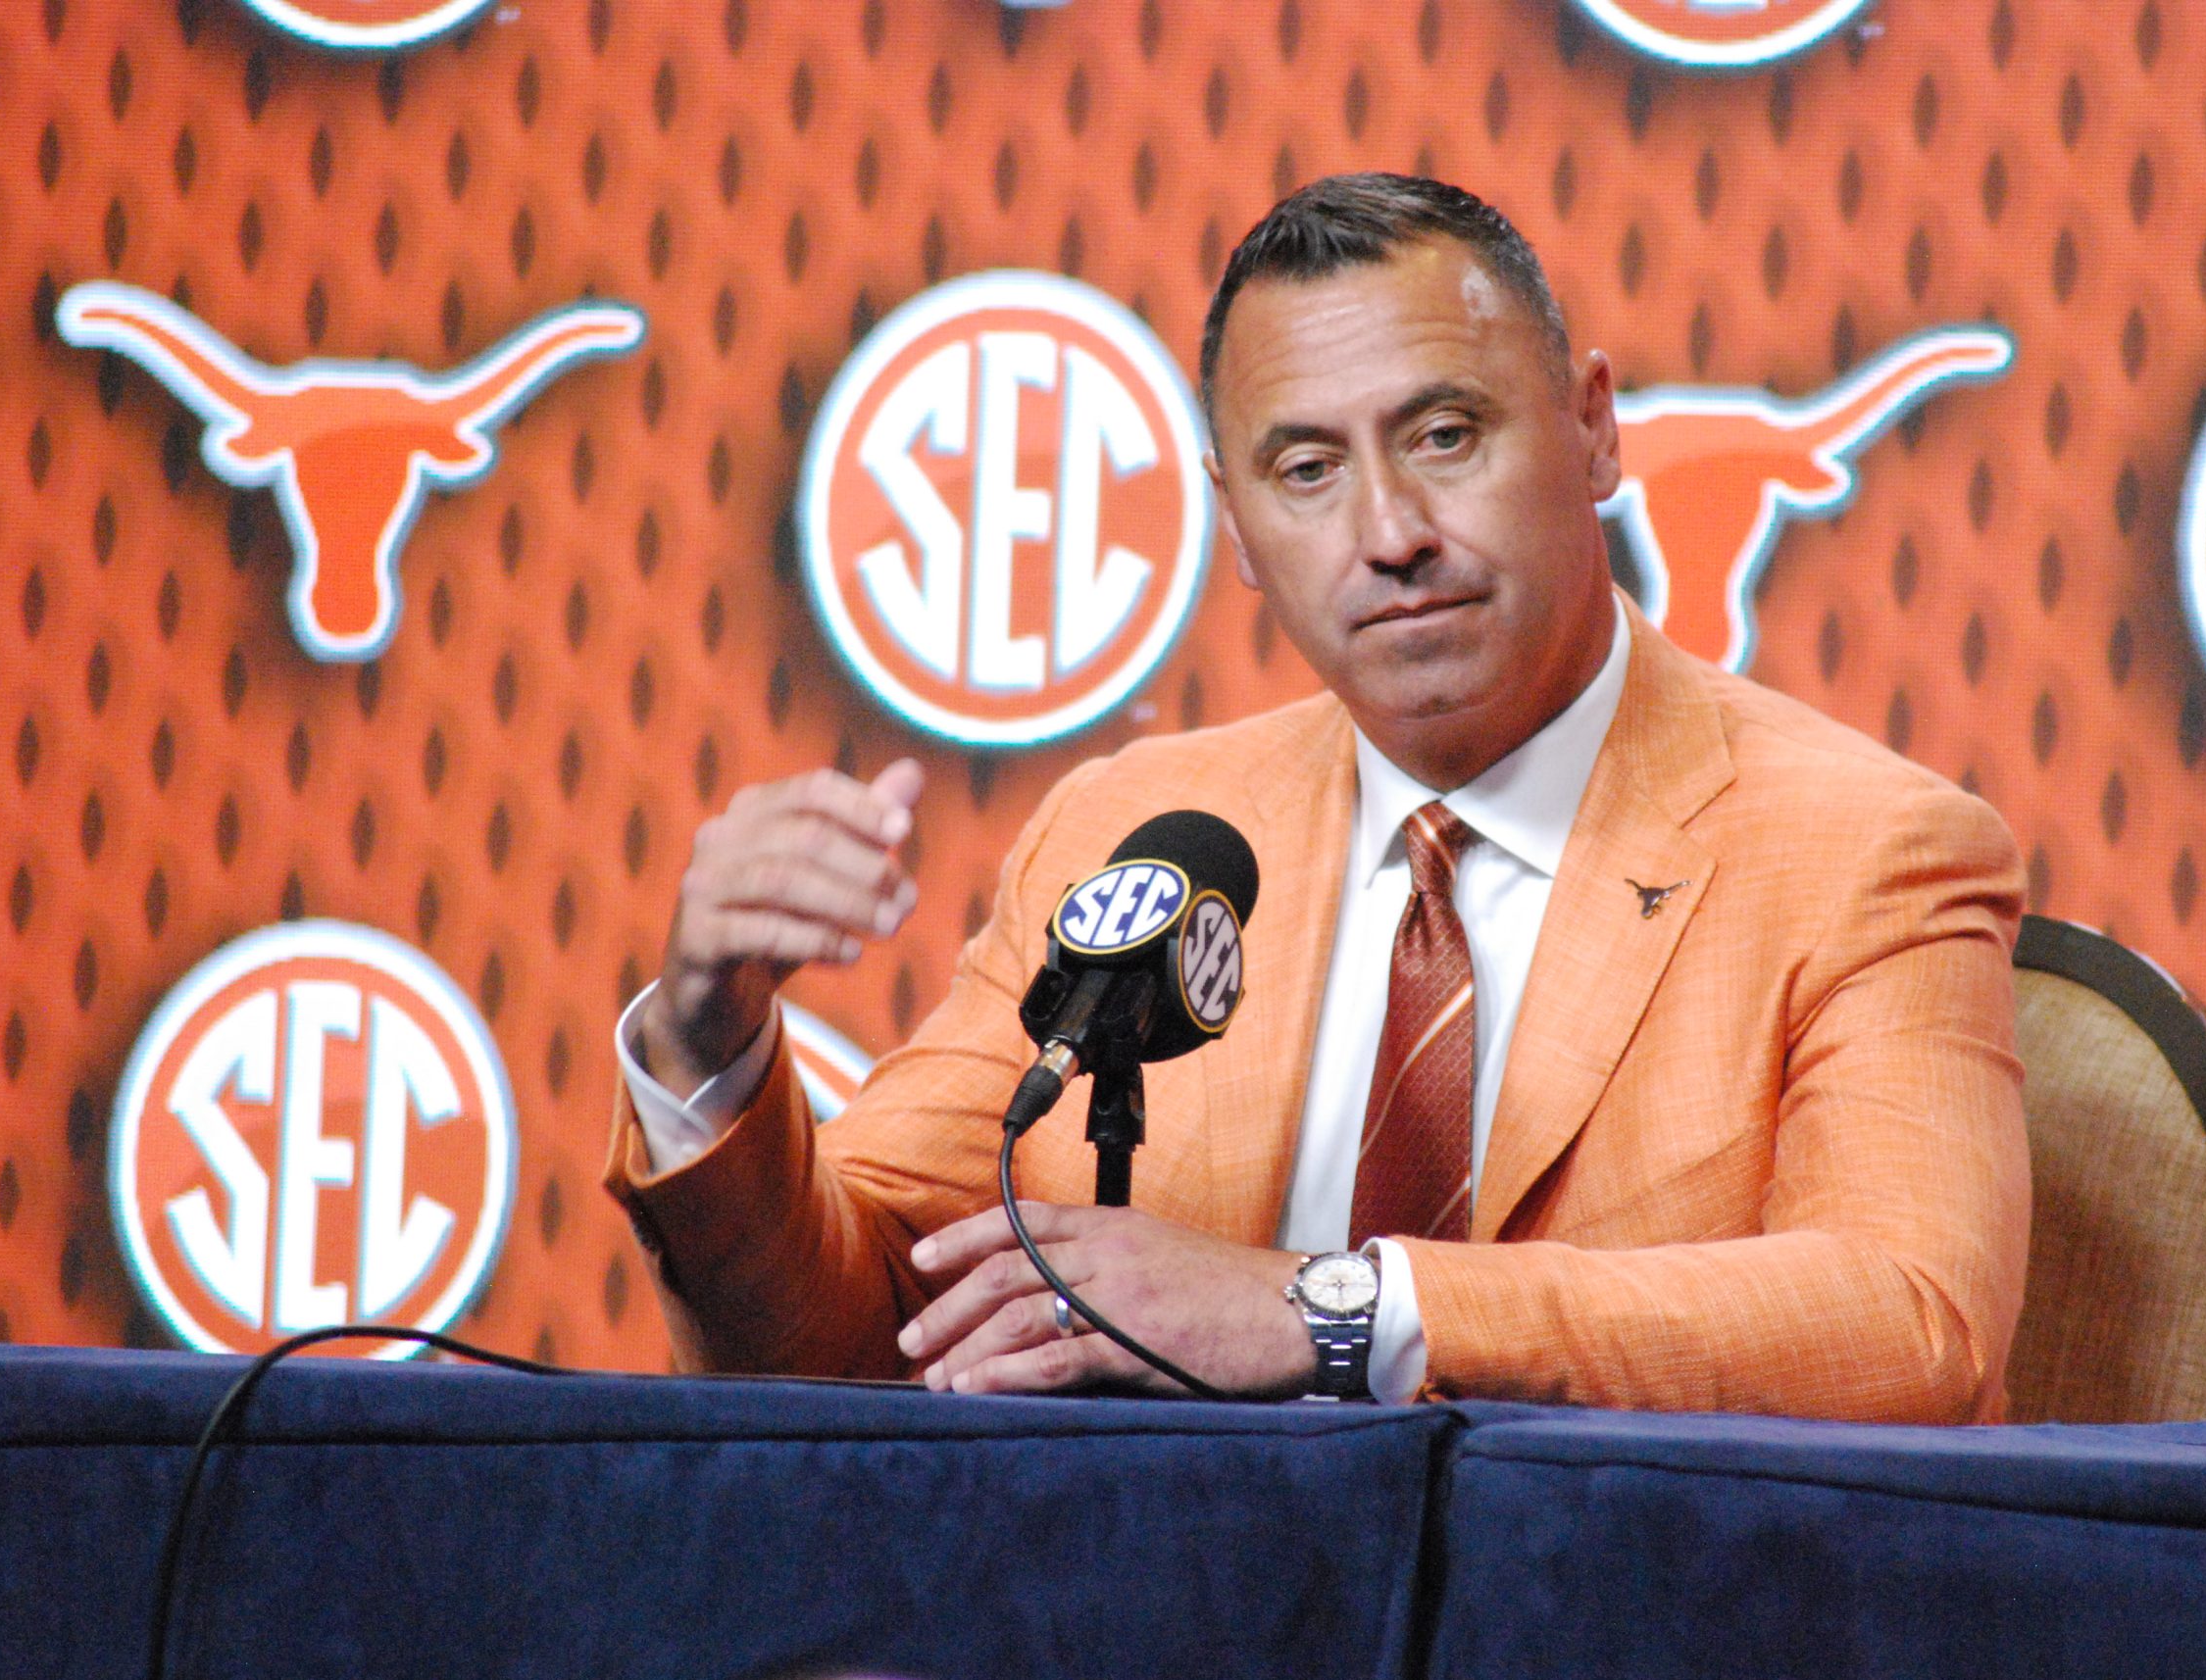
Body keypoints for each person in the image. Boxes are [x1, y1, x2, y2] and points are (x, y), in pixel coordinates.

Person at [604, 174, 2030, 1417]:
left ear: (1594, 432)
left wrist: (1339, 1312)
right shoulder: (1135, 834)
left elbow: (1912, 1319)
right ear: (1237, 527)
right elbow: (845, 1345)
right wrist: (709, 1044)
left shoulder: (1865, 847)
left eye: (1448, 436)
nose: (1391, 535)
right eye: (1307, 469)